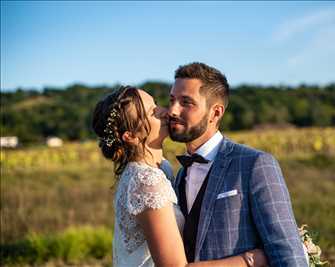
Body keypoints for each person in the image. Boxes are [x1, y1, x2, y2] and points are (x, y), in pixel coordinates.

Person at [92, 86, 267, 267]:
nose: (165, 112)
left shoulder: (162, 169)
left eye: (157, 105)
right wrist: (254, 259)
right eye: (152, 112)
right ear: (131, 136)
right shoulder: (145, 181)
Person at [168, 62, 308, 266]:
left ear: (215, 113)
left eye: (186, 102)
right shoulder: (180, 175)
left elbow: (285, 249)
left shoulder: (255, 164)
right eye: (172, 100)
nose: (172, 110)